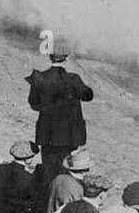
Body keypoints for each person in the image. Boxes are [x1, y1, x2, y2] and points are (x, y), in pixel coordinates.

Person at [26, 48, 93, 184]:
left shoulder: (39, 78)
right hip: (69, 135)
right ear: (66, 59)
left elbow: (34, 104)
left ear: (50, 58)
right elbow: (88, 95)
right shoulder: (73, 79)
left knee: (48, 171)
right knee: (66, 171)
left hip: (47, 134)